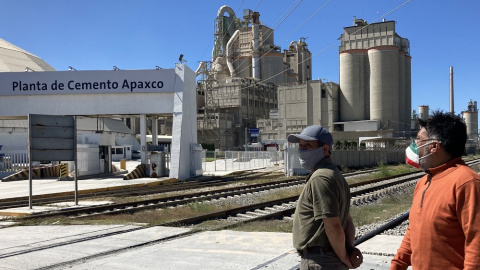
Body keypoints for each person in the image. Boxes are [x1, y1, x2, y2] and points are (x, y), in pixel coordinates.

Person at [391, 111, 480, 269]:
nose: (414, 144)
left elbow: (476, 244)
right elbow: (413, 231)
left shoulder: (467, 183)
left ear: (433, 146)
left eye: (418, 139)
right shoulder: (423, 182)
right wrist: (397, 264)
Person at [289, 125, 363, 269]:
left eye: (308, 145)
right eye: (301, 145)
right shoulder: (335, 175)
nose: (302, 150)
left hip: (320, 261)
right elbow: (348, 222)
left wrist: (345, 258)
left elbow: (333, 225)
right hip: (330, 259)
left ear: (324, 149)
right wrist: (348, 249)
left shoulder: (320, 178)